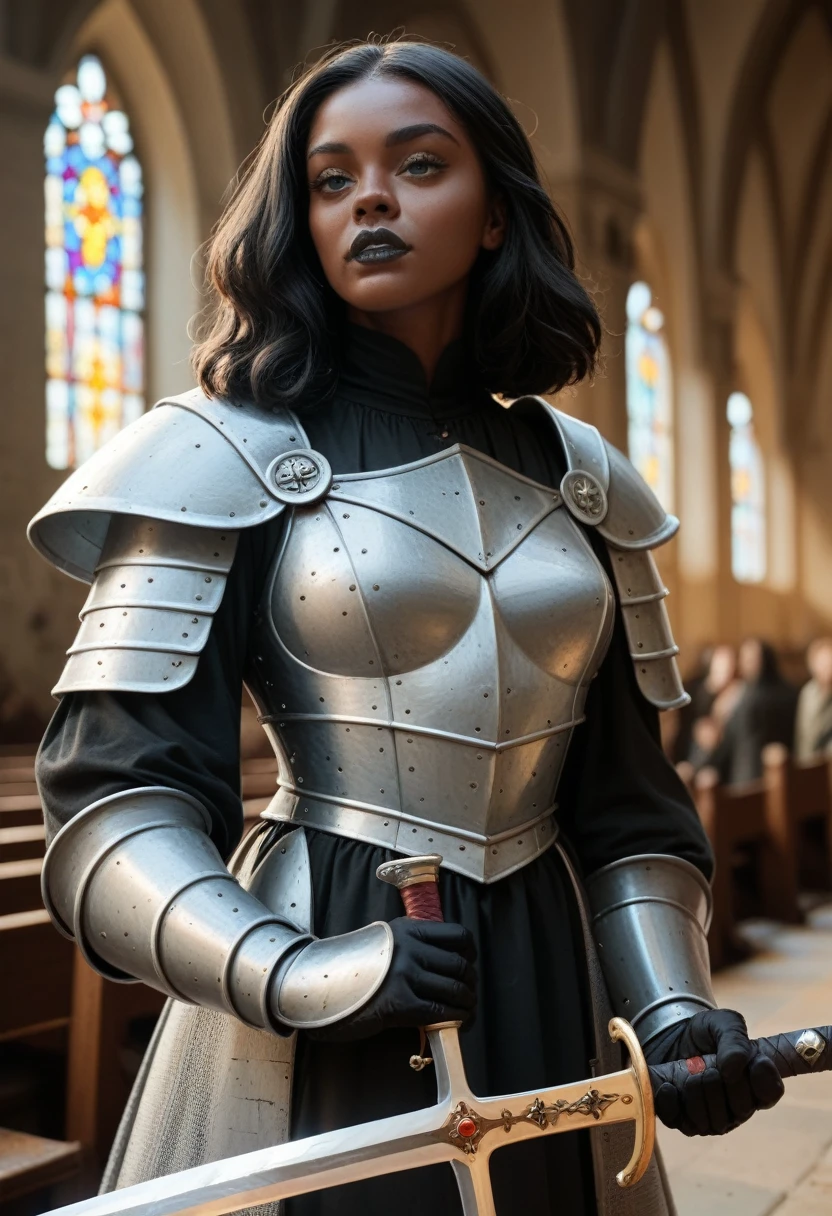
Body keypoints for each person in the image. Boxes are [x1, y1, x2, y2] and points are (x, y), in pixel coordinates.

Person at [29, 39, 783, 1216]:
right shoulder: (219, 451)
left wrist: (674, 1005)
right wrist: (301, 969)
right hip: (315, 970)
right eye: (331, 180)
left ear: (494, 213)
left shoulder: (584, 480)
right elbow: (114, 804)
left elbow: (630, 808)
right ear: (302, 217)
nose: (370, 198)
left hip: (546, 969)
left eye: (418, 164)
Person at [706, 638, 797, 785]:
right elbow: (730, 738)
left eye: (752, 660)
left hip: (765, 776)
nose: (746, 665)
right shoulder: (743, 694)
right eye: (745, 659)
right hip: (745, 774)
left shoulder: (778, 695)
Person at [795, 638, 832, 760]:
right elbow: (800, 734)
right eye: (822, 663)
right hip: (807, 761)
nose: (827, 668)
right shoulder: (808, 693)